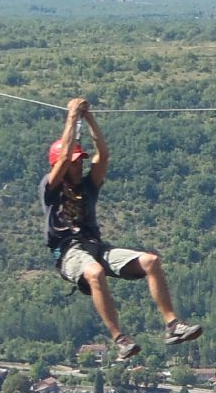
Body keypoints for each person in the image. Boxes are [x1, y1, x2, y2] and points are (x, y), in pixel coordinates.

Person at [42, 96, 201, 360]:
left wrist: (89, 118)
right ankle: (120, 338)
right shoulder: (50, 187)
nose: (79, 163)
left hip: (95, 247)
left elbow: (102, 155)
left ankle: (173, 325)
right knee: (94, 272)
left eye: (80, 160)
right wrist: (71, 117)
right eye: (74, 161)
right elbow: (63, 160)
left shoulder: (87, 186)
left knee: (150, 261)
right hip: (68, 252)